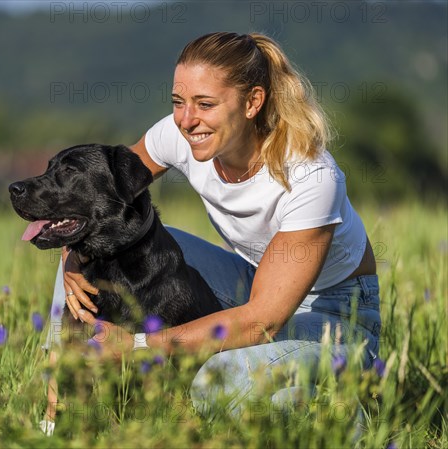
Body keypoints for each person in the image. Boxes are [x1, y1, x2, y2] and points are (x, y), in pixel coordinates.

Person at [44, 32, 382, 419]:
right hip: (254, 283)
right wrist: (75, 253)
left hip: (335, 316)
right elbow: (104, 196)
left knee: (216, 383)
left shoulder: (310, 176)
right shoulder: (180, 134)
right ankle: (57, 415)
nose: (187, 120)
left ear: (253, 102)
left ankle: (345, 418)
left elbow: (263, 320)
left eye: (205, 104)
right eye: (178, 102)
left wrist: (139, 346)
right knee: (81, 255)